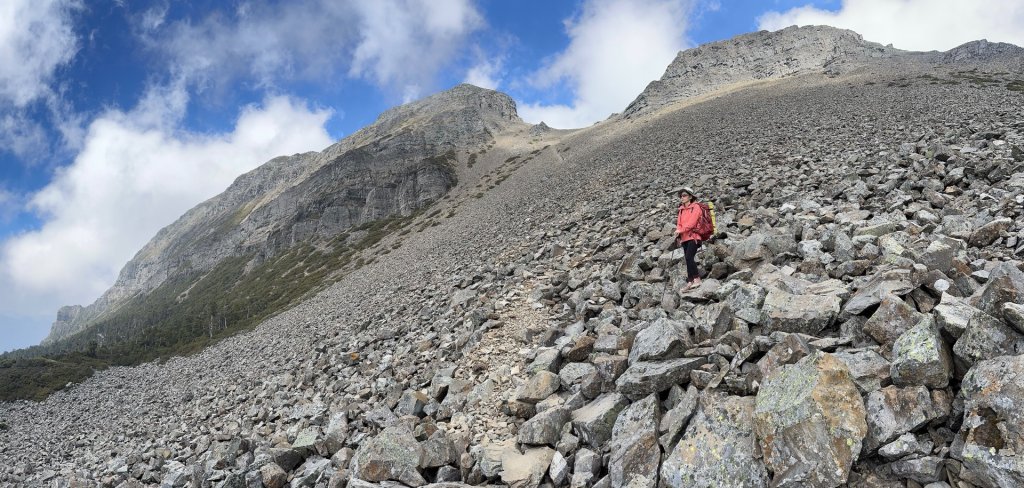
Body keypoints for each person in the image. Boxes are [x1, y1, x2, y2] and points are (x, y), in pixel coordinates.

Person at [674, 187, 703, 292]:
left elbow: (692, 223)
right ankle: (690, 282)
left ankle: (697, 279)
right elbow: (679, 224)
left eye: (684, 195)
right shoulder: (681, 210)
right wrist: (678, 231)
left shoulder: (696, 207)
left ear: (690, 196)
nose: (682, 197)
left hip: (694, 237)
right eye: (681, 196)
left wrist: (680, 231)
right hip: (684, 238)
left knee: (689, 257)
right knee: (687, 259)